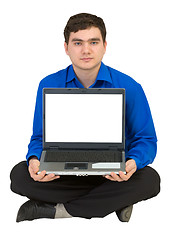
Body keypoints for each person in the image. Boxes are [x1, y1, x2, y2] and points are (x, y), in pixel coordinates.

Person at [10, 13, 160, 223]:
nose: (86, 50)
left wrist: (132, 163)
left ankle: (57, 210)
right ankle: (114, 201)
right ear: (66, 47)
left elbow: (146, 139)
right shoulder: (48, 84)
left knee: (150, 181)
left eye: (93, 42)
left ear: (104, 46)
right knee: (19, 176)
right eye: (78, 43)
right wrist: (34, 160)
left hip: (112, 172)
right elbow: (39, 137)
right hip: (65, 171)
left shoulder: (130, 86)